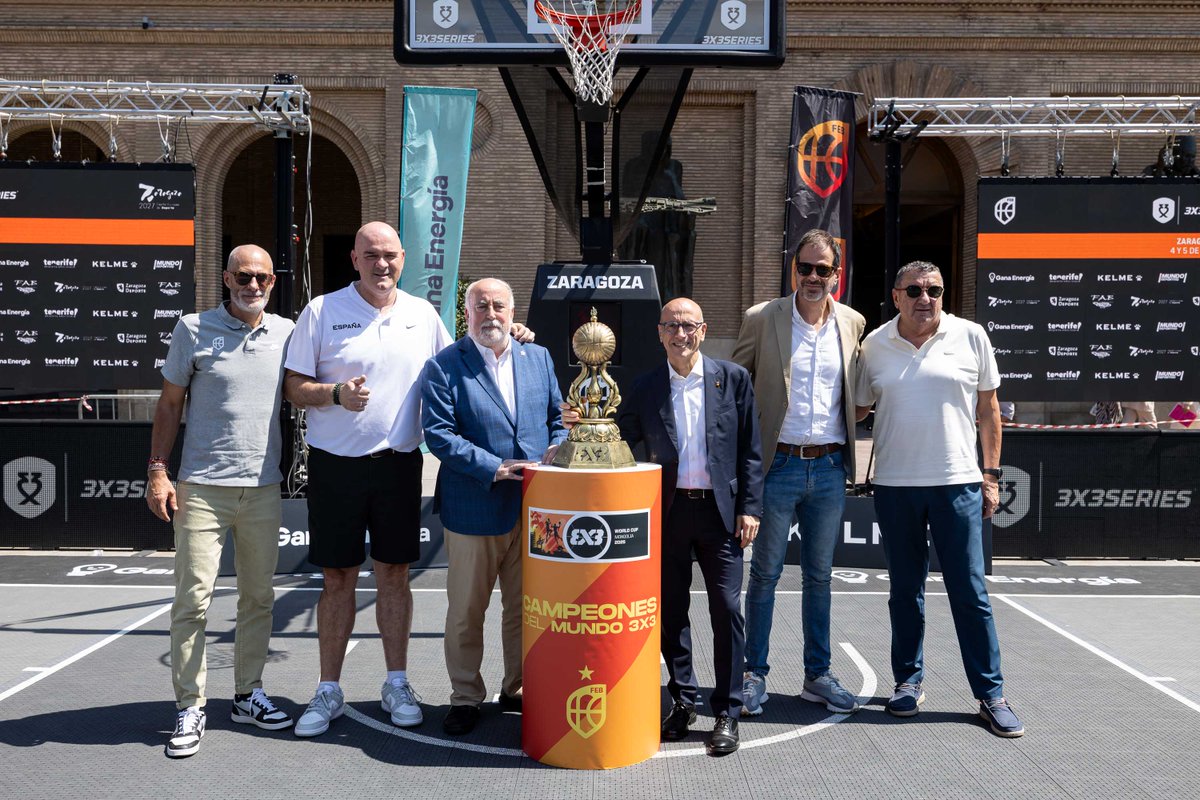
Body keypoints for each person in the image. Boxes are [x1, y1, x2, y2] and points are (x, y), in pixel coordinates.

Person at [854, 260, 1024, 738]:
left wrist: (990, 476)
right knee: (904, 593)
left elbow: (989, 411)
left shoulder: (971, 336)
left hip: (958, 484)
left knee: (970, 594)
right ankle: (907, 682)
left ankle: (991, 695)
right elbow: (858, 406)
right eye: (914, 290)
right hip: (894, 485)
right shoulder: (874, 345)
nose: (924, 298)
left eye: (933, 290)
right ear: (895, 295)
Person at [147, 244, 294, 758]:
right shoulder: (192, 329)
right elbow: (169, 404)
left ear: (273, 283)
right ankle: (190, 704)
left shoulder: (287, 333)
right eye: (244, 276)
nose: (253, 285)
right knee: (193, 601)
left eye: (263, 278)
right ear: (226, 279)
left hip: (263, 488)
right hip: (201, 488)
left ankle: (247, 694)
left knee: (258, 598)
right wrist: (159, 471)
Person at [615, 297, 763, 755]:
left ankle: (727, 710)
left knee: (726, 610)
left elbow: (752, 450)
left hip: (721, 515)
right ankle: (683, 701)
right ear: (660, 333)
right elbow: (620, 439)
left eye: (689, 326)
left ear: (703, 329)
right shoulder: (644, 386)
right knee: (672, 613)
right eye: (672, 327)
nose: (681, 335)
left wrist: (750, 508)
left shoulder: (732, 379)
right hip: (668, 513)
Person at [420, 278, 567, 735]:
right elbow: (438, 434)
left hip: (535, 509)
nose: (490, 314)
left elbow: (557, 420)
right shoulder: (445, 366)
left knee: (527, 608)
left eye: (498, 305)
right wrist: (494, 467)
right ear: (467, 314)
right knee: (467, 610)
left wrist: (556, 449)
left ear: (511, 310)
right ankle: (465, 696)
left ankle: (517, 688)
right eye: (480, 306)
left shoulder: (537, 357)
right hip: (475, 506)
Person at [730, 228, 866, 716]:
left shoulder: (853, 322)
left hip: (829, 467)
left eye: (822, 269)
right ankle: (753, 675)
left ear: (836, 274)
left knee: (819, 577)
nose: (812, 277)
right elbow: (736, 389)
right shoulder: (763, 318)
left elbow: (861, 391)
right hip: (778, 464)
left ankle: (817, 675)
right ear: (793, 269)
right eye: (804, 267)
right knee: (764, 575)